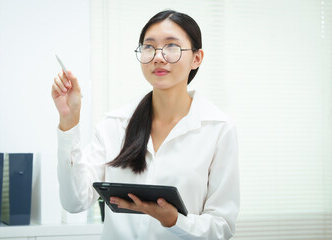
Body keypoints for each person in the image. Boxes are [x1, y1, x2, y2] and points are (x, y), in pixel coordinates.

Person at [52, 10, 239, 240]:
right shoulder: (114, 125)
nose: (158, 57)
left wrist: (174, 221)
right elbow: (74, 201)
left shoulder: (218, 129)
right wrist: (69, 122)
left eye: (172, 46)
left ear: (196, 58)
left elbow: (222, 226)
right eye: (149, 47)